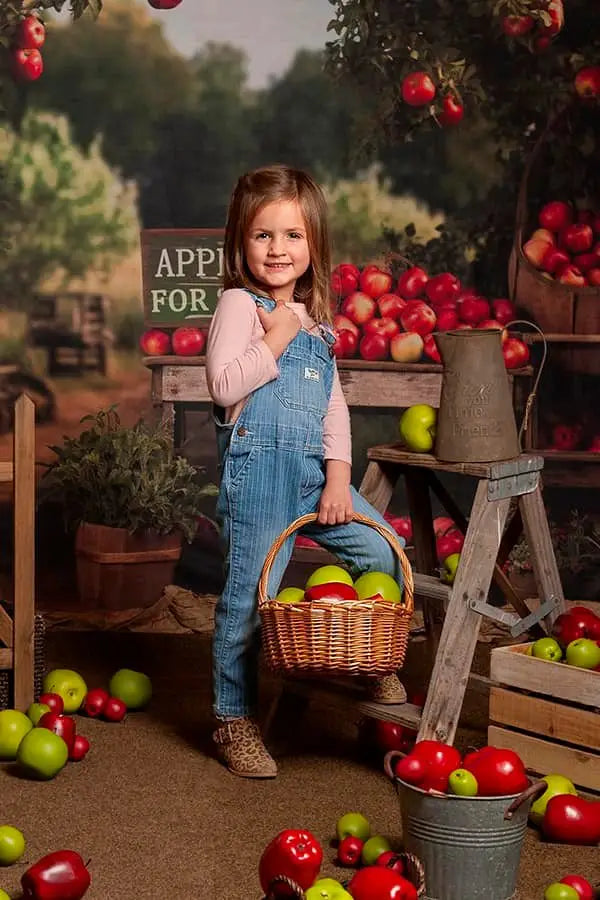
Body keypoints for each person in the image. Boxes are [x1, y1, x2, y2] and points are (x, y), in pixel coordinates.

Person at [206, 164, 408, 779]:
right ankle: (231, 717)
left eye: (292, 236)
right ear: (241, 242)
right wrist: (276, 337)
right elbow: (222, 384)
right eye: (263, 235)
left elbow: (333, 411)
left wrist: (340, 477)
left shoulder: (318, 330)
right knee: (245, 598)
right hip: (259, 477)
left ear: (313, 244)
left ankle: (366, 662)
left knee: (381, 550)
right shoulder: (239, 305)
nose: (277, 249)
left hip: (314, 477)